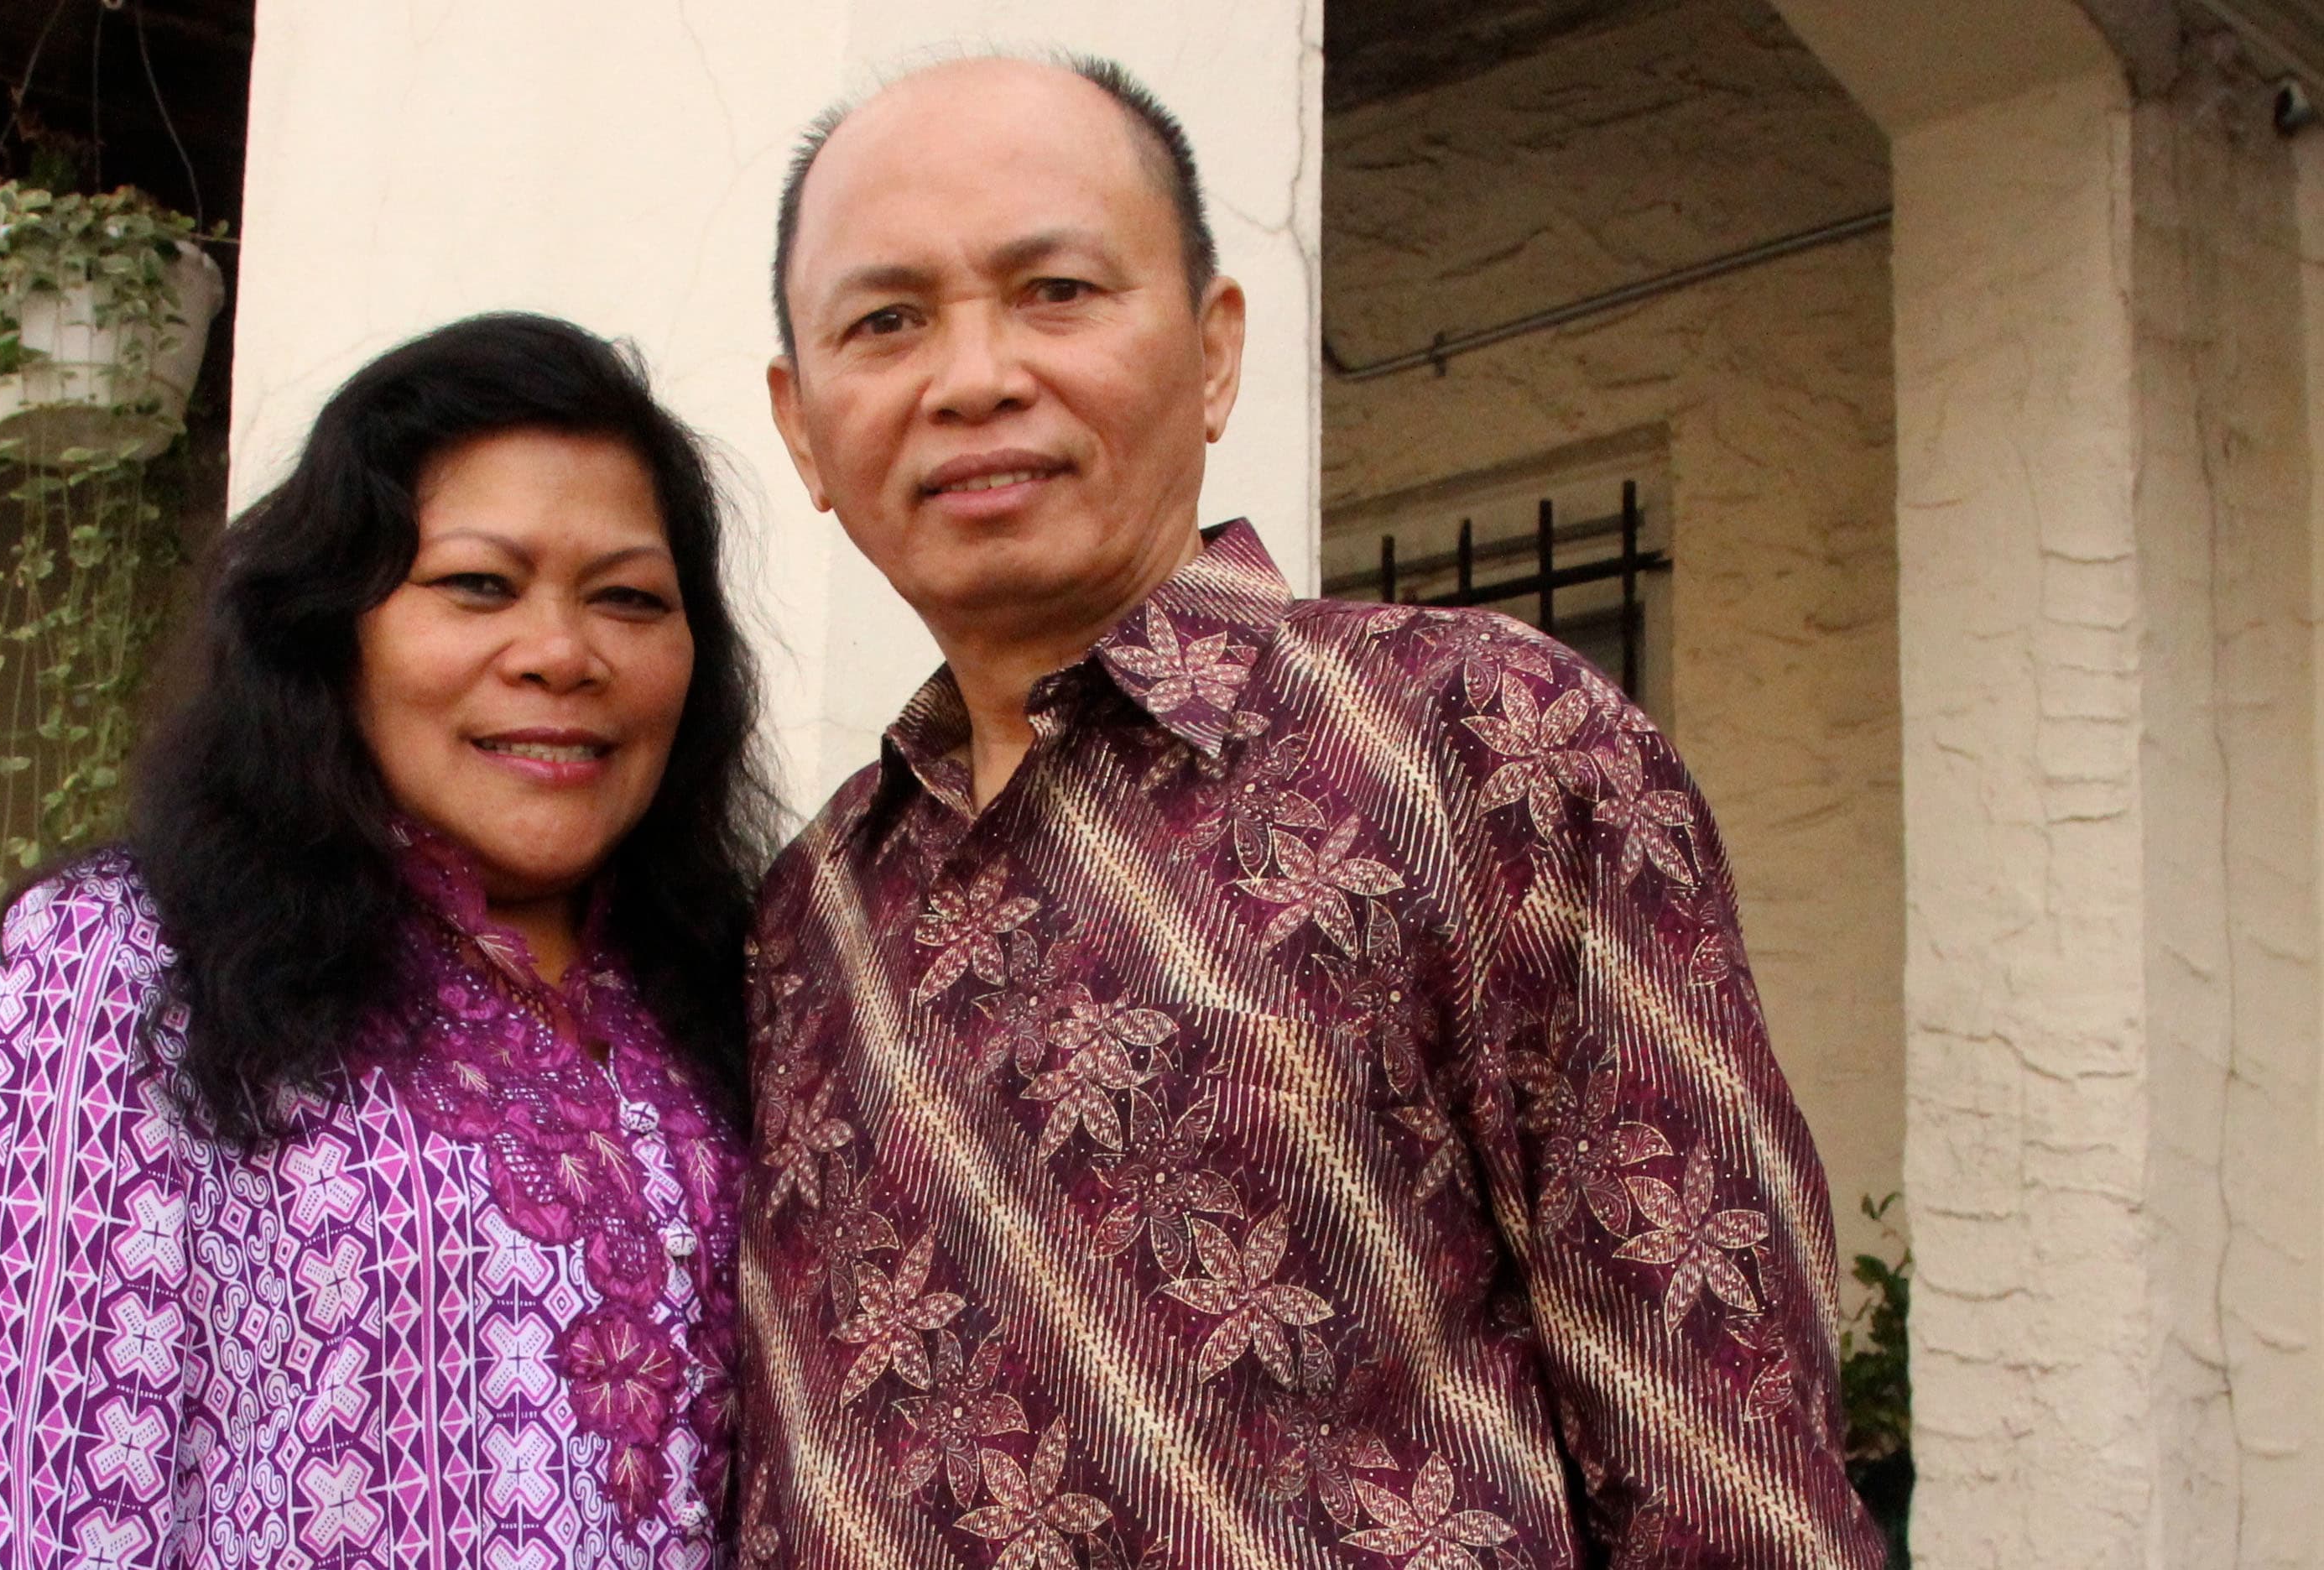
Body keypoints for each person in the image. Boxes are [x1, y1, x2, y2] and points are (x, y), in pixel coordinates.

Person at [737, 53, 1884, 1570]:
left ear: (1215, 353)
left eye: (1057, 291)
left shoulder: (1477, 746)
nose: (973, 377)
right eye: (885, 322)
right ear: (804, 425)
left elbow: (1725, 1470)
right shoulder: (808, 912)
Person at [0, 313, 776, 1570]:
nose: (563, 654)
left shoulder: (739, 992)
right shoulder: (121, 971)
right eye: (477, 586)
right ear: (332, 629)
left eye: (628, 599)